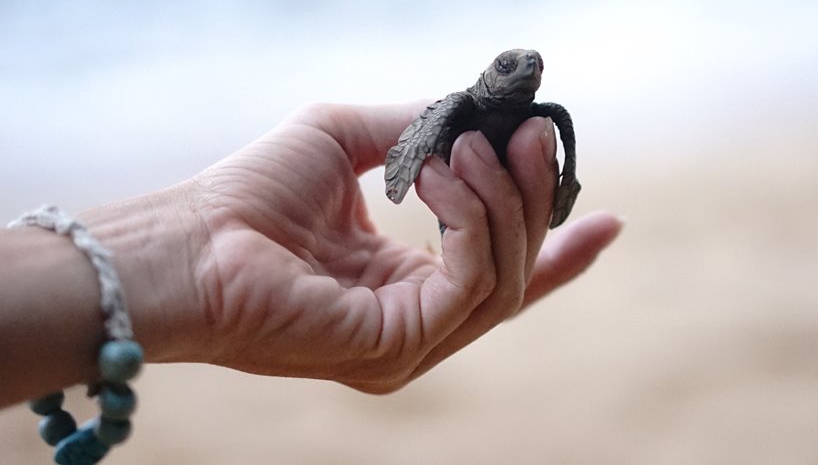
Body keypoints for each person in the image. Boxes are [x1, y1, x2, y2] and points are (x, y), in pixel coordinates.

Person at [0, 102, 623, 408]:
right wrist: (193, 251)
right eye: (514, 65)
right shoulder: (458, 105)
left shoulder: (538, 112)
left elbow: (558, 130)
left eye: (533, 67)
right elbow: (424, 133)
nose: (528, 73)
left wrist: (194, 265)